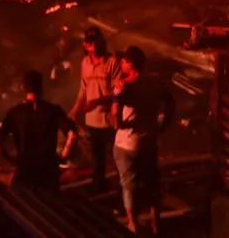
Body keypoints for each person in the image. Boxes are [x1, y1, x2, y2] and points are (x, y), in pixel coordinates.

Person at [112, 46, 175, 235]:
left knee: (129, 185)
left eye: (123, 62)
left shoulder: (125, 86)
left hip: (126, 144)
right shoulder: (155, 82)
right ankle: (156, 225)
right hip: (149, 142)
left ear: (130, 65)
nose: (121, 65)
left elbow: (116, 119)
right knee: (152, 184)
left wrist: (116, 97)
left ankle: (133, 224)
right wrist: (164, 123)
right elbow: (170, 102)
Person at [0, 70, 78, 193]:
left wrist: (10, 159)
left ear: (23, 87)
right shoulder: (53, 110)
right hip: (48, 172)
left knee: (21, 206)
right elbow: (72, 135)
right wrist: (62, 157)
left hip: (24, 171)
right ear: (41, 87)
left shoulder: (15, 113)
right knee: (50, 207)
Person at [68, 26, 122, 193]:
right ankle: (99, 186)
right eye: (90, 44)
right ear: (86, 46)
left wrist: (99, 101)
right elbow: (83, 89)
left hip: (110, 120)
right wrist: (75, 110)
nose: (94, 47)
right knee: (98, 159)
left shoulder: (112, 62)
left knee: (118, 157)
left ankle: (123, 187)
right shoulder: (85, 63)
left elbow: (118, 92)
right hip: (92, 121)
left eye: (97, 42)